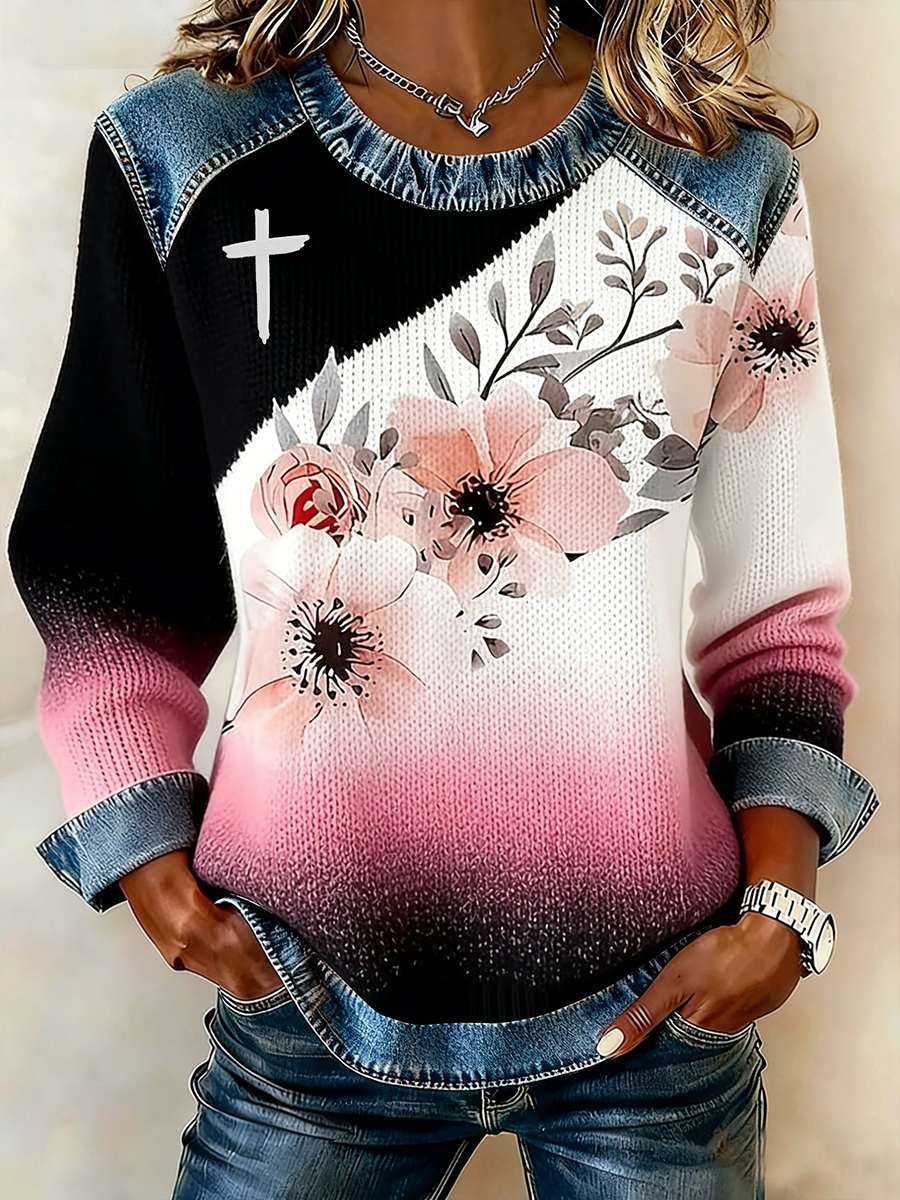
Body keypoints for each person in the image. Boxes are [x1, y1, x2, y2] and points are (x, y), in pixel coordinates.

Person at [7, 1, 881, 1196]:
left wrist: (780, 909)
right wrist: (143, 850)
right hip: (300, 995)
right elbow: (111, 559)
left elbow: (775, 617)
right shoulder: (186, 160)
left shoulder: (720, 179)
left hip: (659, 1009)